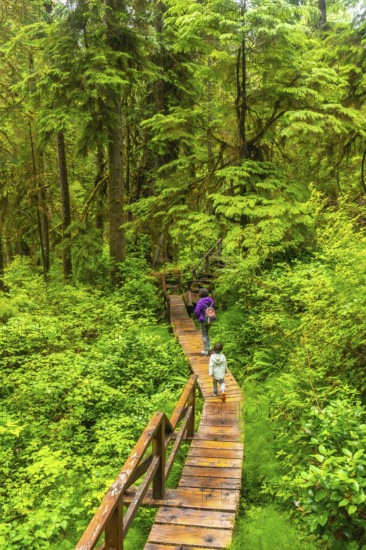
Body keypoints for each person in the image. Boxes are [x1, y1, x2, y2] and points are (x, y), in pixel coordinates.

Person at [194, 288, 214, 355]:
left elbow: (196, 311)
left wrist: (199, 316)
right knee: (207, 333)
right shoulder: (211, 300)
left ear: (200, 294)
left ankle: (206, 350)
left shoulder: (200, 302)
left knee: (204, 334)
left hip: (203, 320)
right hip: (210, 319)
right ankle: (209, 347)